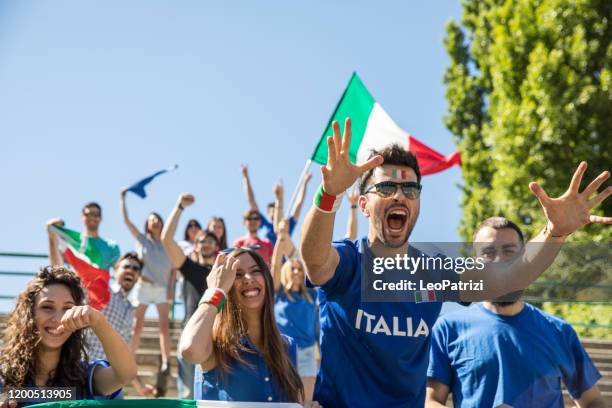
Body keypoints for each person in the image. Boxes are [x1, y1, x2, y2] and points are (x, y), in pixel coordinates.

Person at [300, 118, 612, 407]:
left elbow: (508, 278)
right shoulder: (349, 261)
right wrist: (329, 194)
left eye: (410, 189)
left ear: (418, 204)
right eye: (386, 187)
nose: (400, 195)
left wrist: (554, 233)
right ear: (365, 206)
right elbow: (314, 261)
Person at [426, 217, 605, 408]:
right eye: (488, 253)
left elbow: (593, 401)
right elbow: (430, 401)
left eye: (509, 252)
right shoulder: (447, 329)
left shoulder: (559, 331)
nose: (499, 260)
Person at [179, 248, 317, 405]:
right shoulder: (214, 341)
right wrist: (215, 291)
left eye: (256, 271)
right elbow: (190, 350)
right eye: (237, 274)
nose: (248, 278)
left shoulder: (287, 346)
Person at [0, 266, 137, 407]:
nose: (58, 318)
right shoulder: (3, 376)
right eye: (47, 307)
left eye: (68, 309)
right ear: (29, 314)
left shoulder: (85, 377)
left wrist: (98, 322)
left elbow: (125, 374)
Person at [161, 193, 219, 399]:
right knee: (187, 395)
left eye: (211, 241)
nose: (206, 244)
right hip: (190, 334)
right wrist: (179, 206)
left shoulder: (222, 274)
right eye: (202, 241)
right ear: (196, 245)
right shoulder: (190, 268)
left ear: (217, 246)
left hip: (218, 337)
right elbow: (166, 239)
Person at [120, 190, 174, 397]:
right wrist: (122, 198)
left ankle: (166, 363)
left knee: (164, 327)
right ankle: (129, 358)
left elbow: (174, 270)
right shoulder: (142, 239)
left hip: (161, 288)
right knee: (137, 325)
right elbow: (126, 221)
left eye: (157, 220)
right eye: (151, 220)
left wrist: (170, 289)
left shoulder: (168, 243)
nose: (155, 222)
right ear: (147, 224)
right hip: (144, 286)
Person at [272, 219, 318, 400]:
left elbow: (303, 260)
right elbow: (275, 266)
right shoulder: (279, 293)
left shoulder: (311, 295)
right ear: (286, 272)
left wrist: (289, 238)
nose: (298, 272)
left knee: (305, 398)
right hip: (283, 349)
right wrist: (280, 238)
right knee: (283, 396)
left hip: (307, 350)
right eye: (293, 268)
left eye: (300, 269)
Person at [240, 164, 312, 244]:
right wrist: (245, 178)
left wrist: (304, 183)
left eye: (277, 211)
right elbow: (251, 201)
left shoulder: (287, 225)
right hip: (264, 255)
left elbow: (298, 204)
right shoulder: (263, 224)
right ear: (268, 213)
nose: (275, 213)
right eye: (272, 211)